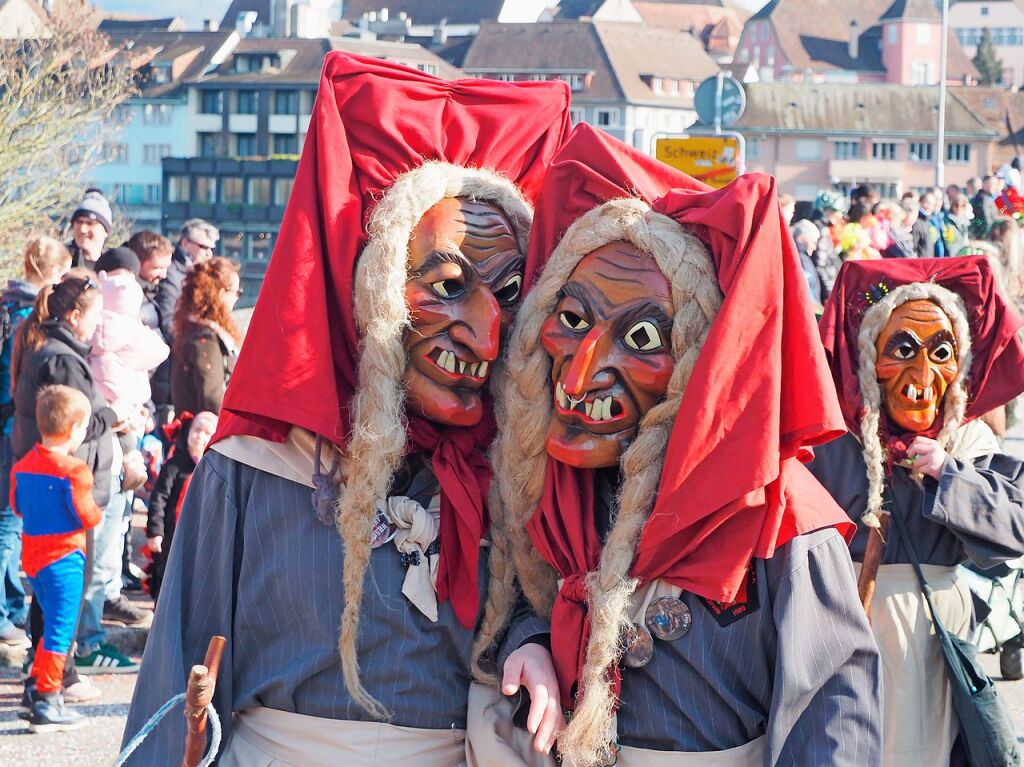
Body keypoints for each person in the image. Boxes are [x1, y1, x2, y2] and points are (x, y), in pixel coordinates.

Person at [122, 52, 571, 765]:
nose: (489, 335)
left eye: (510, 292)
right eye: (448, 284)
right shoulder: (253, 469)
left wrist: (531, 641)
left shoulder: (513, 475)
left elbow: (525, 610)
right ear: (376, 292)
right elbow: (175, 684)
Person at [469, 124, 880, 766]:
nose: (576, 378)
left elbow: (835, 735)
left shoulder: (783, 524)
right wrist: (529, 641)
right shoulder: (566, 484)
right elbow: (533, 590)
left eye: (640, 341)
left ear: (702, 361)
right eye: (572, 321)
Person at [811, 255, 1024, 766]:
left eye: (941, 351)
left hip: (937, 635)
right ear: (868, 358)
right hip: (846, 621)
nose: (922, 373)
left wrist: (949, 473)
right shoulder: (832, 441)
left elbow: (1015, 523)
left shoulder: (967, 438)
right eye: (902, 349)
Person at [10, 276, 139, 678]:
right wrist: (112, 416)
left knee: (47, 605)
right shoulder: (62, 358)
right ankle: (54, 684)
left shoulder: (49, 350)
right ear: (76, 314)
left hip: (42, 534)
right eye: (96, 314)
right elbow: (73, 418)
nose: (98, 323)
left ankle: (44, 677)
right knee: (62, 608)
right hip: (66, 526)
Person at [12, 385, 101, 732]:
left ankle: (35, 689)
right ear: (74, 429)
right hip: (64, 559)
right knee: (61, 631)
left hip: (33, 557)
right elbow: (87, 515)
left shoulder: (22, 465)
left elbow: (18, 505)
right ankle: (48, 698)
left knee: (49, 626)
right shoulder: (75, 470)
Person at [0, 238, 72, 649]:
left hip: (12, 425)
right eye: (61, 275)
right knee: (9, 524)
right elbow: (16, 380)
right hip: (16, 427)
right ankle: (4, 612)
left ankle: (11, 606)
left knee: (12, 521)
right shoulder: (27, 314)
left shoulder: (10, 303)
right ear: (49, 274)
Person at [144, 411, 217, 602]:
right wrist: (155, 531)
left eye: (207, 432)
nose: (200, 436)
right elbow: (158, 499)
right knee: (167, 573)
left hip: (201, 535)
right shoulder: (174, 466)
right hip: (172, 534)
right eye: (197, 430)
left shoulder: (215, 469)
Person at [152, 220, 219, 427]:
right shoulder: (173, 271)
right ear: (185, 243)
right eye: (204, 247)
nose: (208, 253)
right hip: (173, 361)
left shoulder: (197, 271)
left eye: (211, 249)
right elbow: (169, 316)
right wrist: (187, 347)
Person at [169, 258, 242, 415]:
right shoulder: (205, 339)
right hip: (204, 432)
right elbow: (212, 398)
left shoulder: (193, 329)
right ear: (221, 294)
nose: (237, 298)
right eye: (237, 292)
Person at [66, 189, 112, 271]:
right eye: (79, 222)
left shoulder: (114, 265)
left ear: (105, 231)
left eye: (90, 223)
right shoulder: (60, 261)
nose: (83, 229)